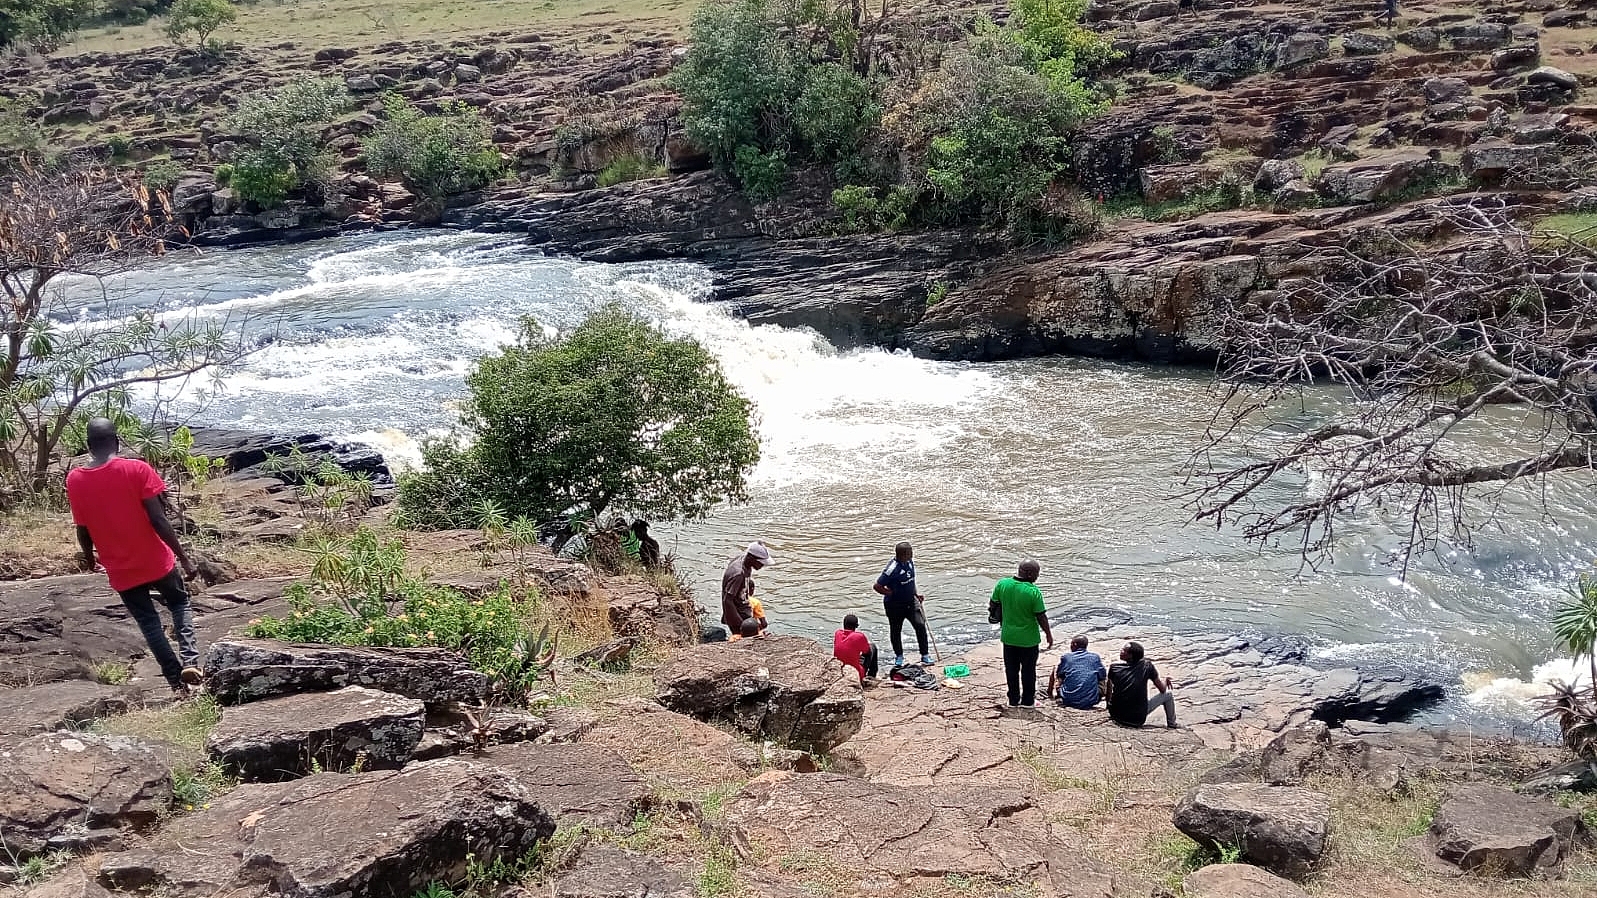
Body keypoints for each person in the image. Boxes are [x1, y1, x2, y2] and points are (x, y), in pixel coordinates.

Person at [66, 418, 203, 696]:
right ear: (117, 441)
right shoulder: (137, 469)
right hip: (156, 559)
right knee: (179, 603)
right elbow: (158, 520)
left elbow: (83, 527)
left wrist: (89, 558)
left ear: (89, 446)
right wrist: (184, 557)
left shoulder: (76, 479)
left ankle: (177, 684)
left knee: (149, 623)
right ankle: (190, 660)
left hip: (120, 568)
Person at [988, 560, 1054, 707]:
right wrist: (1048, 634)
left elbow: (993, 604)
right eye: (1037, 573)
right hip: (1029, 640)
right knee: (1028, 671)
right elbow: (1041, 616)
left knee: (1011, 670)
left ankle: (1013, 699)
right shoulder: (1033, 591)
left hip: (1009, 637)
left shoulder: (1002, 584)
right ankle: (1028, 701)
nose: (1037, 577)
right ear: (1029, 573)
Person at [874, 541, 931, 667]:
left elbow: (911, 580)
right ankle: (899, 656)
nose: (913, 553)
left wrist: (916, 594)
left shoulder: (910, 563)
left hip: (911, 601)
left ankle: (925, 655)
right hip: (895, 606)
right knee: (896, 630)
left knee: (920, 625)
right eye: (910, 551)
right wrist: (890, 593)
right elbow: (877, 586)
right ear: (904, 554)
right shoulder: (892, 569)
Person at [1105, 641, 1178, 729]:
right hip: (1137, 719)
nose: (1121, 651)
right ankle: (1172, 725)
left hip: (1116, 715)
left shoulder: (1114, 668)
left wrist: (1108, 707)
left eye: (1124, 650)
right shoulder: (1147, 666)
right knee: (1168, 694)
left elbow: (1108, 690)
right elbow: (1162, 690)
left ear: (1131, 656)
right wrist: (1165, 681)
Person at [721, 541, 771, 635]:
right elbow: (727, 600)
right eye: (760, 563)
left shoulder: (743, 561)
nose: (762, 565)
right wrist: (741, 625)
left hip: (743, 609)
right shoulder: (738, 574)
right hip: (737, 615)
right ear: (752, 558)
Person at [1049, 635, 1107, 710]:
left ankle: (1052, 693)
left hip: (1067, 699)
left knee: (1059, 673)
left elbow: (1059, 673)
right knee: (1101, 676)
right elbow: (1102, 675)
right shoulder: (1095, 657)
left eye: (1071, 644)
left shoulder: (1066, 657)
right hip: (1091, 700)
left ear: (1074, 645)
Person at [832, 613, 879, 681]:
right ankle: (872, 675)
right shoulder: (859, 636)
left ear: (843, 624)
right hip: (856, 673)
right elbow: (867, 651)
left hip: (840, 671)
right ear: (856, 626)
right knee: (872, 647)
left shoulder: (837, 633)